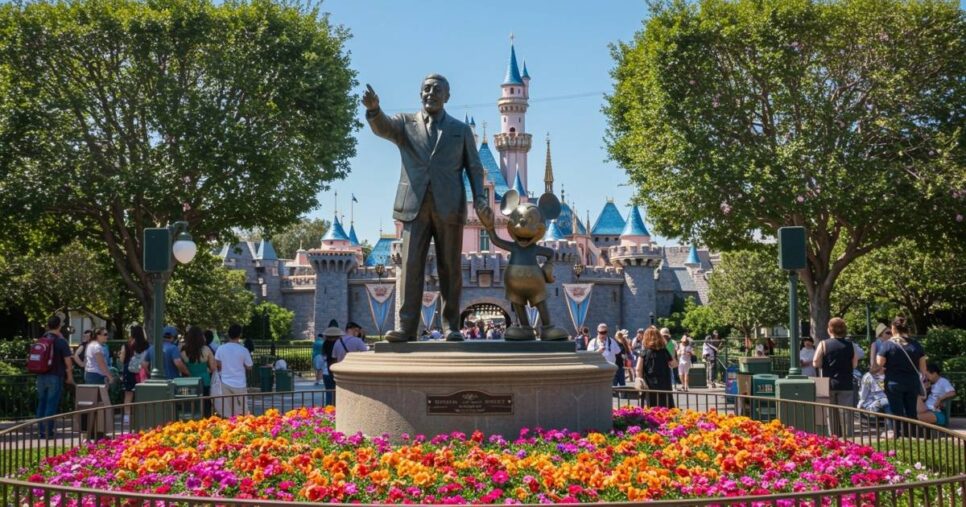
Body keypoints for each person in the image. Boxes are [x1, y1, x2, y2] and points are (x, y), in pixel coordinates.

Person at [362, 77, 493, 343]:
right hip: (414, 206)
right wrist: (374, 110)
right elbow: (383, 128)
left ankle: (451, 327)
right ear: (420, 93)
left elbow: (475, 167)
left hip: (449, 207)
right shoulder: (405, 123)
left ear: (447, 95)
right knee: (410, 267)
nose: (430, 93)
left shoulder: (460, 130)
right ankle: (407, 327)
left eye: (437, 89)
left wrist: (480, 198)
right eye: (426, 88)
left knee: (450, 269)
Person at [876, 316, 926, 437]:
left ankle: (898, 436)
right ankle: (913, 436)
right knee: (911, 411)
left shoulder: (887, 345)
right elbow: (923, 369)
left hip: (894, 382)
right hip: (912, 382)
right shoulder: (916, 345)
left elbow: (879, 363)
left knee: (896, 412)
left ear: (893, 328)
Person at [813, 317, 858, 437]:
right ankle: (848, 438)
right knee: (846, 414)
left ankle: (833, 437)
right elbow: (855, 364)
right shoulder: (851, 345)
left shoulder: (823, 344)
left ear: (829, 330)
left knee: (830, 413)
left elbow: (816, 362)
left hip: (829, 383)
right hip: (846, 383)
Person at [35, 316, 74, 439]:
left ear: (48, 325)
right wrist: (70, 377)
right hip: (55, 376)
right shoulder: (61, 342)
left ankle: (41, 431)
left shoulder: (41, 340)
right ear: (59, 326)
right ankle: (47, 432)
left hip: (41, 376)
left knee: (42, 403)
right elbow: (68, 362)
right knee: (51, 404)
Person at [214, 323, 253, 418]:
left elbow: (217, 363)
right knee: (243, 409)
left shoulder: (221, 348)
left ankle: (229, 427)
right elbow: (249, 366)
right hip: (240, 383)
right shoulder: (243, 350)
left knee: (227, 409)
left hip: (225, 381)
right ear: (240, 335)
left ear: (228, 334)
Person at [181, 326, 217, 416]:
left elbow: (181, 366)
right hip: (204, 380)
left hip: (188, 381)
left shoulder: (183, 350)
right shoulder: (206, 349)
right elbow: (213, 367)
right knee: (206, 404)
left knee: (190, 404)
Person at [638, 326, 676, 408]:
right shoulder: (665, 351)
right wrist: (670, 348)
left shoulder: (644, 352)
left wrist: (640, 379)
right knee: (665, 405)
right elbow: (674, 364)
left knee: (651, 406)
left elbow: (638, 369)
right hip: (665, 383)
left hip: (650, 383)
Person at [119, 325, 149, 423]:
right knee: (142, 393)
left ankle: (126, 418)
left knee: (128, 394)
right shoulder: (146, 345)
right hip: (141, 371)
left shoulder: (127, 345)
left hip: (129, 370)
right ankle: (142, 416)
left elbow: (122, 359)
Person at [320, 325, 344, 406]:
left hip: (326, 372)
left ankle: (329, 411)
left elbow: (322, 359)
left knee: (329, 393)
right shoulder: (339, 345)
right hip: (337, 372)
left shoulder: (325, 345)